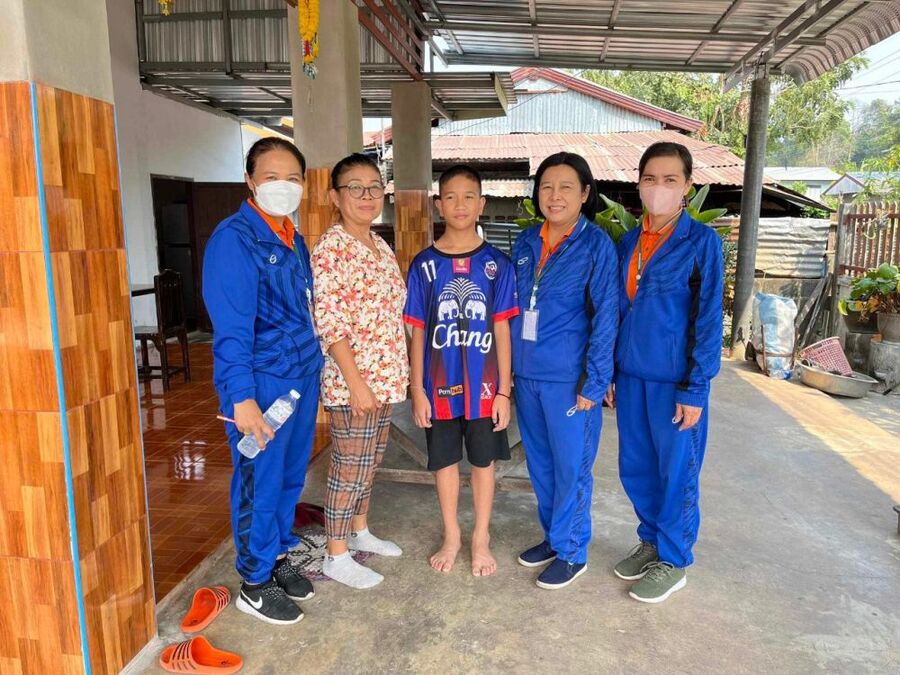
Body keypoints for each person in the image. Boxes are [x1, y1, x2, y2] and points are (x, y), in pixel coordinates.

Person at [203, 137, 322, 626]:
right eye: (272, 177)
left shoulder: (293, 238)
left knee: (290, 477)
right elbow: (231, 329)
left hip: (300, 379)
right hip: (261, 384)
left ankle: (277, 555)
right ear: (250, 181)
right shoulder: (234, 239)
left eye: (293, 178)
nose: (283, 186)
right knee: (259, 481)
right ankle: (254, 582)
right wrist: (242, 398)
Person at [610, 141, 724, 603]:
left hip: (676, 382)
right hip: (631, 376)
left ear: (687, 187)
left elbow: (708, 318)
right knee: (636, 468)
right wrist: (610, 373)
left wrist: (695, 388)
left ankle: (674, 560)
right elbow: (616, 313)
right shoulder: (627, 243)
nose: (659, 187)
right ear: (639, 184)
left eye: (670, 180)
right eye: (650, 179)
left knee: (677, 472)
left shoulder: (701, 243)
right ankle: (651, 541)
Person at [510, 152, 619, 590]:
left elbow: (607, 316)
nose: (554, 196)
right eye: (547, 187)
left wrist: (595, 381)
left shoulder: (596, 247)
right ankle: (554, 538)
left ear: (585, 193)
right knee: (540, 465)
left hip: (571, 380)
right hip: (527, 375)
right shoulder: (526, 243)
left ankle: (573, 551)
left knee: (572, 467)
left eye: (566, 187)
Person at [404, 165, 518, 577]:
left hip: (485, 390)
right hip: (438, 388)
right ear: (438, 204)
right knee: (445, 462)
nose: (460, 205)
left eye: (469, 196)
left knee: (484, 463)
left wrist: (504, 391)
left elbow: (502, 329)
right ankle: (452, 535)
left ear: (482, 204)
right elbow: (417, 332)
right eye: (450, 196)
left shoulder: (498, 265)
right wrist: (417, 389)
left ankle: (480, 537)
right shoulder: (424, 265)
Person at [311, 153, 409, 589]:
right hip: (353, 383)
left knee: (370, 462)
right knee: (348, 467)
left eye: (374, 187)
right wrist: (356, 385)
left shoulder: (379, 245)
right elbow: (330, 322)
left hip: (384, 378)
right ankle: (336, 554)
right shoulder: (331, 248)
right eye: (355, 187)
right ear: (335, 196)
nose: (367, 195)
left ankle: (360, 530)